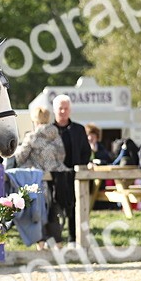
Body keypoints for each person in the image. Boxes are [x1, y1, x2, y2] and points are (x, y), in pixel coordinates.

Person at [8, 106, 65, 246]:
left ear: (35, 120)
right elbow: (62, 156)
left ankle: (41, 245)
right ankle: (57, 244)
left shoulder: (32, 136)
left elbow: (20, 157)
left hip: (37, 181)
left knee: (39, 212)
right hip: (55, 180)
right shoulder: (56, 136)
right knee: (53, 212)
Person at [49, 94, 91, 244]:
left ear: (70, 110)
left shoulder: (78, 129)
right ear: (55, 110)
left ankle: (74, 239)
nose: (63, 111)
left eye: (66, 108)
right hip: (54, 176)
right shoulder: (48, 130)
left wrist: (80, 167)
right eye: (60, 108)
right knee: (53, 208)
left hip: (74, 175)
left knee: (74, 207)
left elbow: (86, 151)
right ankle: (55, 241)